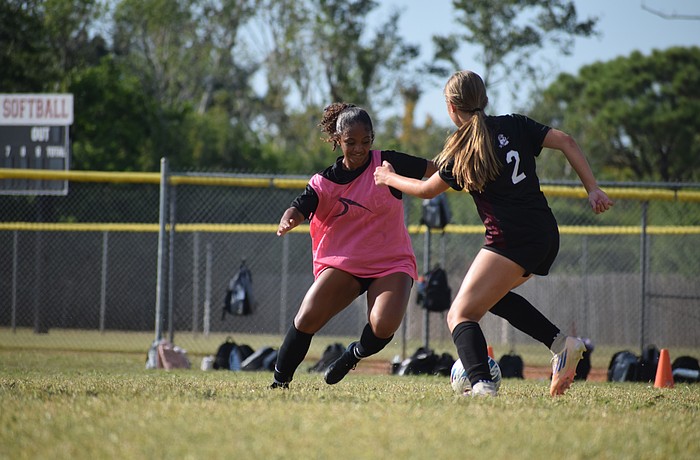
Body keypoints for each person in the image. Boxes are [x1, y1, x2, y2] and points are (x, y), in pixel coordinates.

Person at [374, 70, 613, 397]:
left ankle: (482, 385)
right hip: (545, 233)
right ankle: (562, 344)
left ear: (451, 107)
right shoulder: (515, 123)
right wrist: (593, 189)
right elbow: (566, 141)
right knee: (493, 297)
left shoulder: (464, 148)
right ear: (483, 99)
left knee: (460, 313)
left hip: (510, 240)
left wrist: (387, 177)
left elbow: (426, 190)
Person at [270, 102, 437, 389]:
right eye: (350, 142)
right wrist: (288, 220)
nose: (359, 148)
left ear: (373, 138)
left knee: (383, 324)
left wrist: (468, 167)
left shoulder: (387, 163)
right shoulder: (324, 182)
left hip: (391, 261)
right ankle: (280, 382)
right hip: (344, 262)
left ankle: (353, 354)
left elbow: (437, 170)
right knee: (307, 316)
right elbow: (298, 208)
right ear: (337, 140)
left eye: (366, 141)